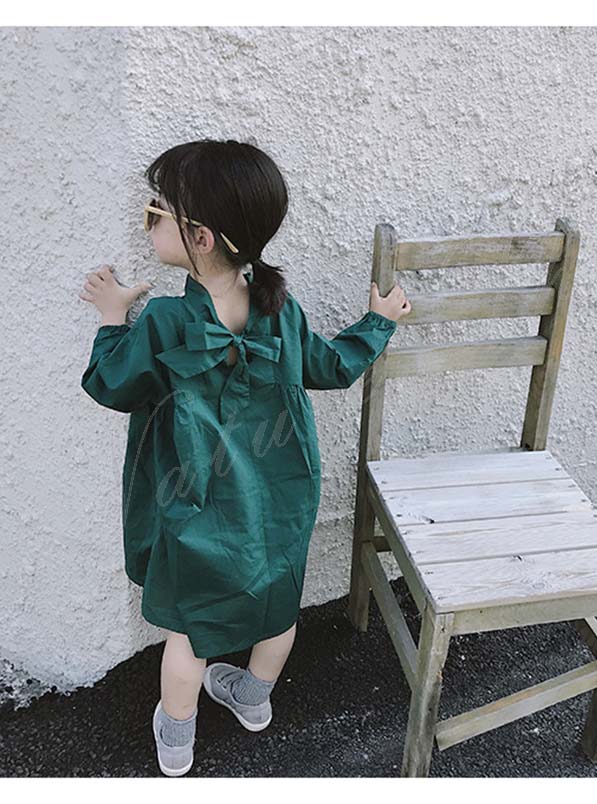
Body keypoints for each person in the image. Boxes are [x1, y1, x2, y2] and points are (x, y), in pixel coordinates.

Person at [78, 138, 411, 777]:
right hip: (282, 493)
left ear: (201, 238)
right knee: (277, 605)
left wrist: (113, 317)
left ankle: (177, 740)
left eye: (155, 211)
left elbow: (110, 384)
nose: (147, 222)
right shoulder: (279, 309)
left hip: (197, 500)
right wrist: (377, 322)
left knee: (189, 630)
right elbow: (333, 367)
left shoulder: (165, 321)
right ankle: (254, 699)